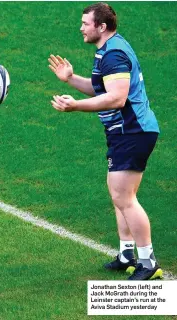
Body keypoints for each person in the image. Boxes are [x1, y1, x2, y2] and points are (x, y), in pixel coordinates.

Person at [48, 2, 162, 280]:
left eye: (85, 23)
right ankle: (127, 254)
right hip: (124, 132)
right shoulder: (109, 50)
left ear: (101, 26)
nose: (81, 27)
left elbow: (117, 97)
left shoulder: (113, 56)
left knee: (125, 197)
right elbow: (102, 87)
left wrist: (76, 106)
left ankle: (148, 263)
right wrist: (71, 79)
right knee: (118, 194)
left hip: (132, 132)